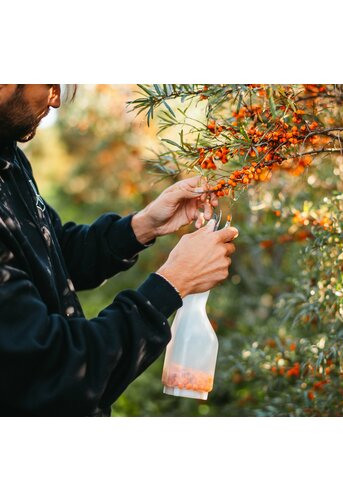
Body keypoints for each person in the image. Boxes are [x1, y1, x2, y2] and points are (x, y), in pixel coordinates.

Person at [0, 84, 239, 416]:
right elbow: (52, 373)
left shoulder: (7, 156)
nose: (55, 99)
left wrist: (141, 227)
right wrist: (170, 285)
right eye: (51, 84)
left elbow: (49, 249)